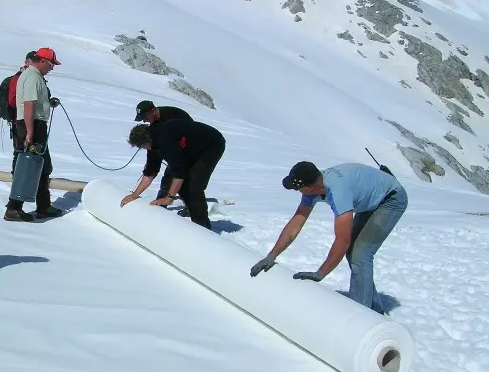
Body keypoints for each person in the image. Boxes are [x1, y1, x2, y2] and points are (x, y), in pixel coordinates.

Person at [249, 161, 407, 315]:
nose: (298, 192)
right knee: (354, 253)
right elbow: (296, 223)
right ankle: (374, 310)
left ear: (309, 188)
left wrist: (321, 273)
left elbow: (342, 240)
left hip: (391, 199)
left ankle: (362, 316)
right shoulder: (314, 188)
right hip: (370, 198)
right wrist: (271, 256)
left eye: (298, 189)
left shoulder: (338, 192)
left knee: (360, 254)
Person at [121, 119, 226, 229]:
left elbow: (179, 174)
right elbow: (150, 172)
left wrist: (169, 197)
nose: (143, 149)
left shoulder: (166, 142)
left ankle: (202, 228)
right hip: (191, 147)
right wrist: (135, 195)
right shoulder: (152, 141)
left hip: (212, 144)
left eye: (141, 147)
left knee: (194, 186)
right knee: (181, 187)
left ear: (146, 143)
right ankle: (200, 222)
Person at [4, 47, 64, 222]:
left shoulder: (34, 77)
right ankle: (14, 208)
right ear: (43, 61)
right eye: (51, 64)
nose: (52, 68)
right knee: (29, 167)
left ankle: (43, 205)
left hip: (35, 124)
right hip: (32, 125)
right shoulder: (32, 77)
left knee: (42, 166)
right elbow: (29, 105)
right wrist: (29, 132)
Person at [133, 100, 193, 215]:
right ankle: (161, 203)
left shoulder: (172, 117)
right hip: (173, 148)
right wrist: (150, 165)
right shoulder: (155, 124)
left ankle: (183, 207)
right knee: (170, 175)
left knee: (174, 176)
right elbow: (154, 147)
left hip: (188, 148)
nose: (144, 121)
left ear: (153, 111)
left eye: (145, 117)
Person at [0, 51, 37, 173]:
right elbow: (13, 101)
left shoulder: (31, 77)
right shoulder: (19, 78)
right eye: (32, 62)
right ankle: (18, 180)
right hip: (19, 122)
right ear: (26, 62)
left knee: (25, 153)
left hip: (26, 120)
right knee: (20, 152)